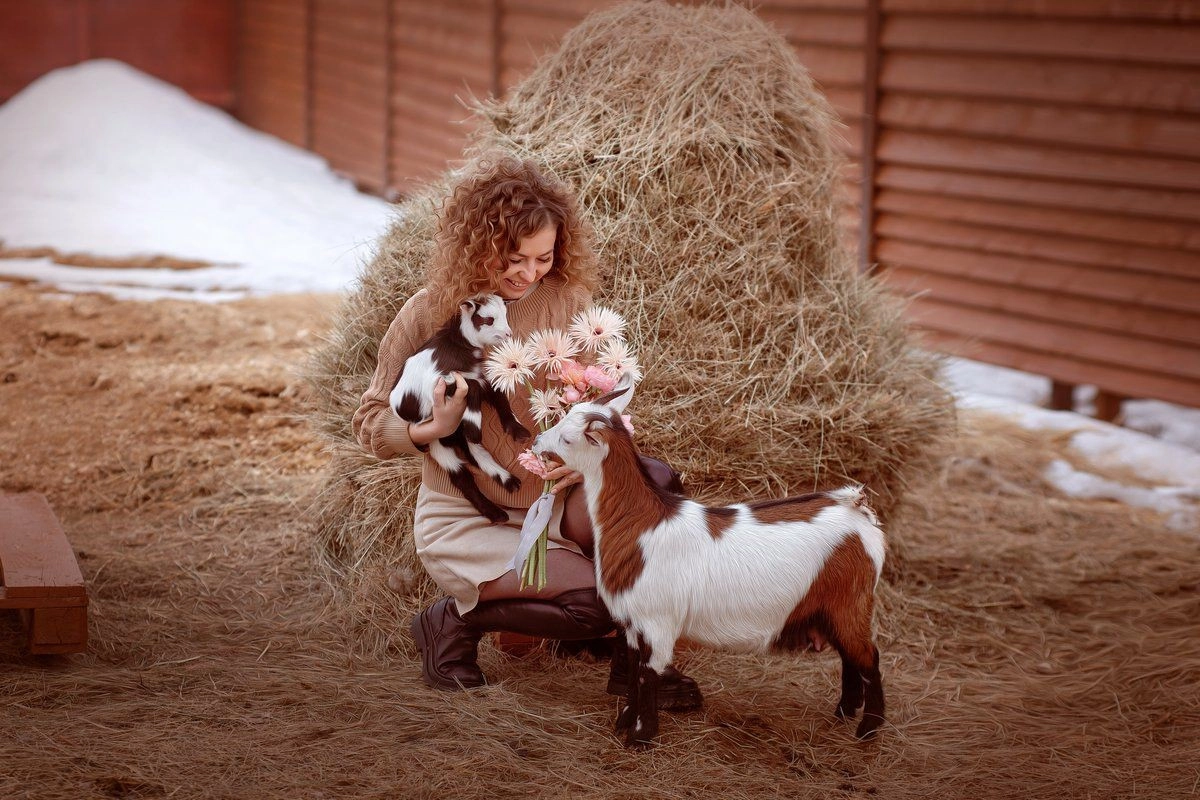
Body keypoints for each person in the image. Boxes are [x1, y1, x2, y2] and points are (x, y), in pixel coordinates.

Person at [353, 154, 702, 709]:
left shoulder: (568, 305)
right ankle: (449, 623)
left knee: (656, 492)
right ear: (476, 247)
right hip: (471, 514)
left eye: (543, 258)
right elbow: (370, 424)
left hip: (555, 494)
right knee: (597, 601)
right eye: (512, 259)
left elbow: (596, 393)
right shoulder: (427, 312)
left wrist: (589, 448)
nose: (528, 274)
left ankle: (637, 665)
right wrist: (431, 428)